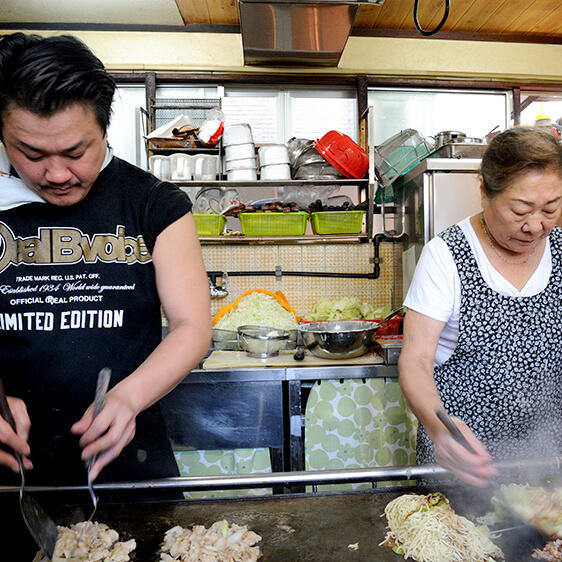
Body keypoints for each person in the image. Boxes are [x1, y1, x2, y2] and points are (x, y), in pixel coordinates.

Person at [0, 31, 211, 513]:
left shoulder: (155, 204)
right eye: (31, 154)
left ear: (106, 130)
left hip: (130, 466)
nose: (56, 173)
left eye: (76, 153)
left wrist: (129, 398)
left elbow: (192, 327)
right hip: (11, 471)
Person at [398, 126, 562, 488]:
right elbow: (416, 359)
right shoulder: (446, 255)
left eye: (550, 208)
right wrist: (440, 430)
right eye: (520, 209)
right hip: (466, 465)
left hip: (550, 462)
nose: (535, 225)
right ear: (485, 191)